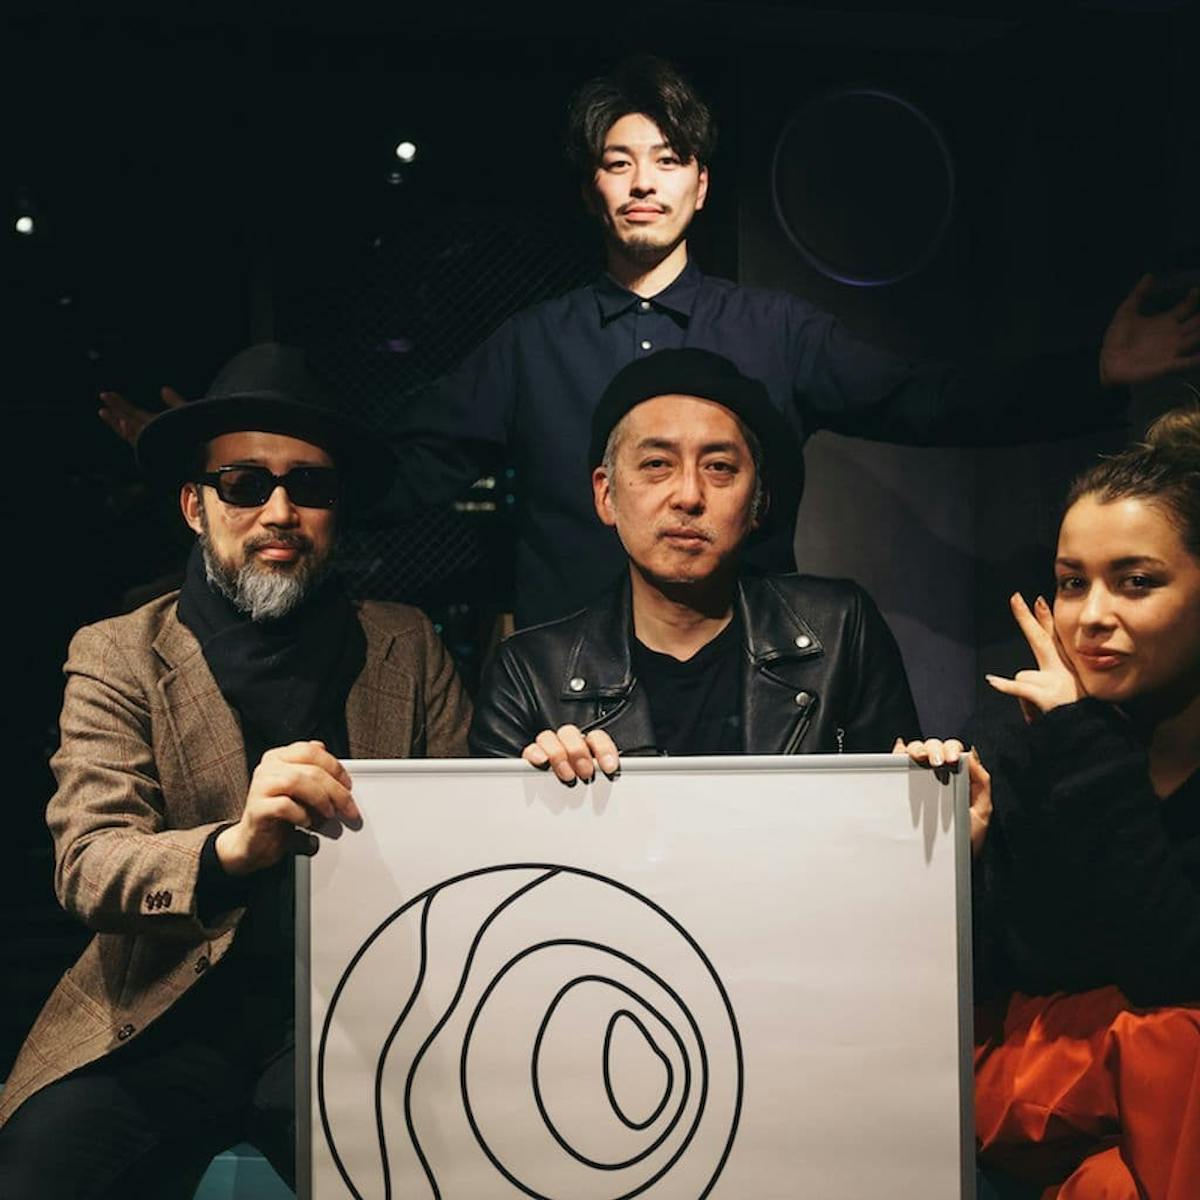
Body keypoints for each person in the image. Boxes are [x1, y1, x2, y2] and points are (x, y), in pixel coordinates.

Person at [99, 56, 1200, 627]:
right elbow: (404, 465)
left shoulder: (773, 329)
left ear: (700, 184)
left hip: (750, 674)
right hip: (569, 699)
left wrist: (1093, 374)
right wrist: (236, 455)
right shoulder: (530, 346)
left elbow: (928, 400)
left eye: (668, 160)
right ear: (594, 188)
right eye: (619, 162)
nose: (643, 183)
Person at [0, 343, 472, 1198]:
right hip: (158, 1016)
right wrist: (231, 849)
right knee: (36, 1169)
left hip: (352, 1019)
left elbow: (467, 851)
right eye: (245, 484)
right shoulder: (119, 653)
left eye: (309, 486)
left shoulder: (406, 644)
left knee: (435, 1168)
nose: (279, 511)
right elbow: (89, 862)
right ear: (195, 506)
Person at [903, 407, 1200, 1199]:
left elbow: (1170, 960)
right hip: (1026, 1084)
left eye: (1137, 582)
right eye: (1072, 583)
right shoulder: (1016, 739)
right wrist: (956, 858)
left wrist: (1084, 744)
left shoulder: (1070, 737)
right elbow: (994, 978)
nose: (1091, 616)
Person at [469, 348, 919, 770]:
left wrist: (936, 799)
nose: (688, 496)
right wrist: (549, 799)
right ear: (606, 495)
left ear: (758, 502)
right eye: (656, 464)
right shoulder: (530, 674)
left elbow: (890, 812)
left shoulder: (839, 628)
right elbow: (490, 828)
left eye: (719, 467)